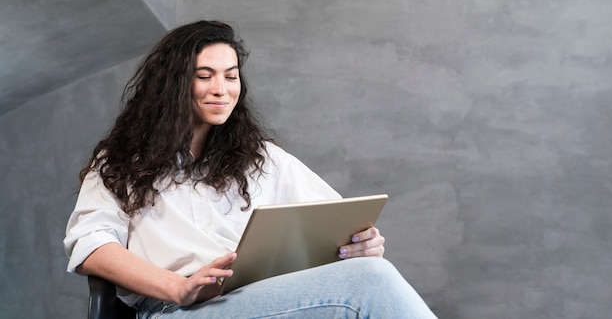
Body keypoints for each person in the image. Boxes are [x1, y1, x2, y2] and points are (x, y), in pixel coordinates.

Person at [64, 20, 438, 318]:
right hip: (174, 310)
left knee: (368, 273)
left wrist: (363, 244)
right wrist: (177, 287)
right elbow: (91, 246)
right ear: (174, 84)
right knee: (369, 283)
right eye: (204, 75)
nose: (221, 89)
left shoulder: (261, 158)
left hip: (258, 300)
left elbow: (335, 222)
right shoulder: (122, 160)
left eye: (231, 75)